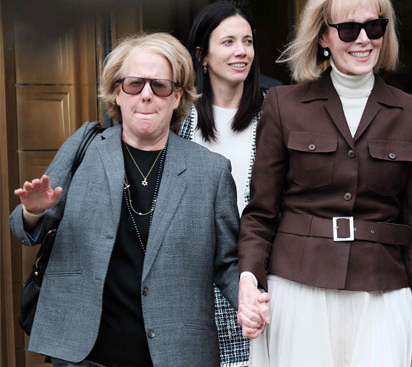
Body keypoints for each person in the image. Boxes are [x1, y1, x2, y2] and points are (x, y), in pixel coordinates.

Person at [237, 0, 412, 367]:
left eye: (374, 26)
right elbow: (260, 212)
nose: (363, 39)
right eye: (348, 29)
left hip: (382, 290)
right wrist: (248, 280)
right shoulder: (283, 105)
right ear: (323, 37)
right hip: (298, 285)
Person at [10, 32, 240, 366]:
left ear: (177, 96)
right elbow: (23, 229)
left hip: (176, 353)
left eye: (160, 86)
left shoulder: (211, 171)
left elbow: (228, 264)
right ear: (117, 93)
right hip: (87, 354)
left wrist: (256, 304)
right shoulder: (84, 149)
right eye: (134, 84)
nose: (146, 95)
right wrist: (33, 213)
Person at [178, 0, 263, 367]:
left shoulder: (274, 116)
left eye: (246, 41)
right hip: (193, 280)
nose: (240, 51)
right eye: (227, 42)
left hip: (260, 277)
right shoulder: (178, 122)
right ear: (203, 55)